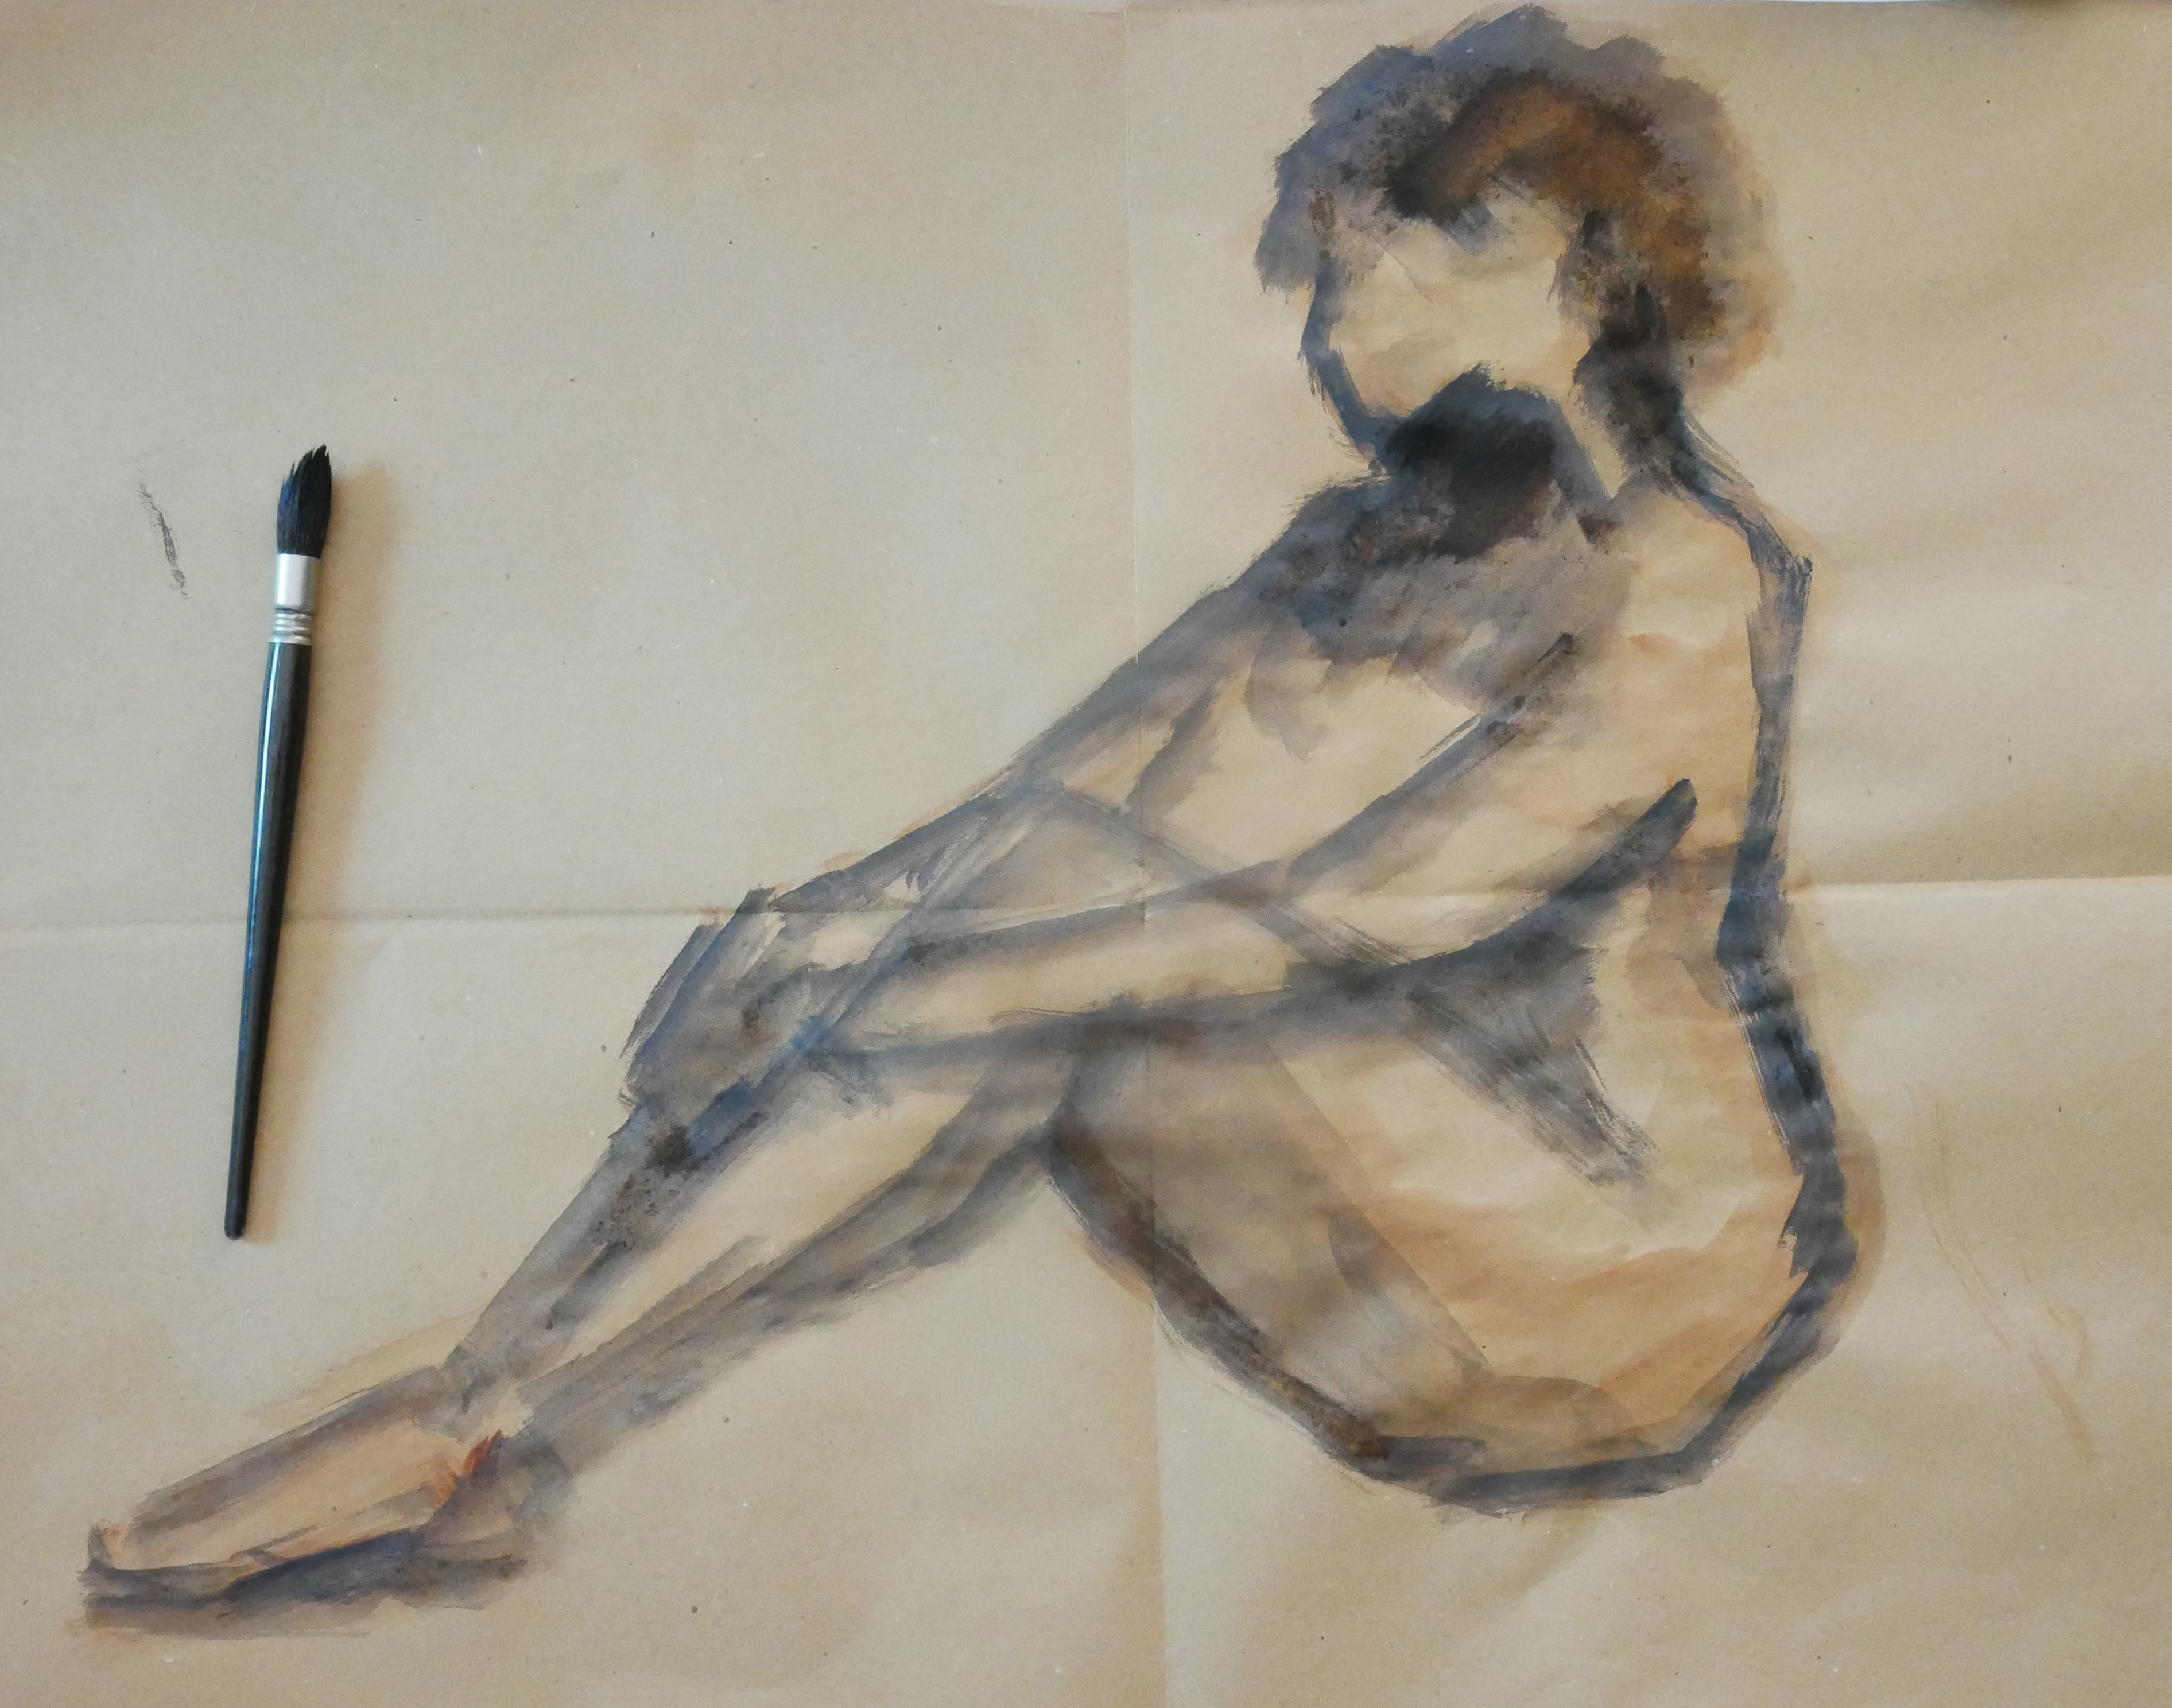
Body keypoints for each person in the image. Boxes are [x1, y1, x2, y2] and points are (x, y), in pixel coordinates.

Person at [91, 5, 1877, 1612]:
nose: (1336, 338)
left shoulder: (1690, 578)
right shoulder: (1370, 546)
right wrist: (818, 933)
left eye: (1373, 278)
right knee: (1029, 890)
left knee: (1048, 985)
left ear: (1557, 268)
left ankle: (485, 1421)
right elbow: (1054, 802)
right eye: (1328, 289)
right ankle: (489, 1409)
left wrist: (892, 996)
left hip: (1618, 1270)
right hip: (1399, 1187)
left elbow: (1374, 910)